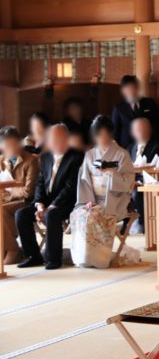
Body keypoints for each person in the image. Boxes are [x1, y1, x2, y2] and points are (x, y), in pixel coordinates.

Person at [15, 124, 84, 269]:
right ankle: (33, 256)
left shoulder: (76, 157)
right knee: (21, 214)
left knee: (52, 215)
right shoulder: (46, 156)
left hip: (67, 203)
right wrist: (39, 203)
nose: (51, 142)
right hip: (46, 202)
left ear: (66, 139)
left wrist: (51, 207)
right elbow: (40, 182)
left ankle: (54, 259)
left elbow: (70, 188)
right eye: (51, 139)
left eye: (56, 139)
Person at [77, 115, 135, 222]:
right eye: (98, 135)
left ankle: (101, 239)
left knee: (93, 217)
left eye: (105, 134)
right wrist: (89, 200)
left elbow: (129, 180)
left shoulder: (122, 154)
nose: (102, 138)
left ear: (110, 134)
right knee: (79, 216)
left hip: (115, 201)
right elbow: (84, 181)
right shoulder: (90, 154)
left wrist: (112, 172)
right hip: (93, 200)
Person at [0, 126, 40, 265]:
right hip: (6, 200)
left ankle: (13, 250)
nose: (8, 150)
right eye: (5, 147)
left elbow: (28, 191)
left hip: (26, 202)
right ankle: (3, 248)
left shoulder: (31, 160)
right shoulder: (2, 161)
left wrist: (9, 192)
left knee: (2, 210)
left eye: (11, 145)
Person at [128, 118, 159, 234]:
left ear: (149, 130)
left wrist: (138, 182)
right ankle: (124, 222)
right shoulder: (131, 148)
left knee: (138, 191)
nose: (141, 132)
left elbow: (158, 169)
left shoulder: (158, 146)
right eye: (137, 130)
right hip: (132, 181)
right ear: (133, 132)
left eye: (143, 129)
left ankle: (142, 223)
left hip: (151, 180)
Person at [111, 75, 159, 148]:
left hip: (149, 145)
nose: (131, 92)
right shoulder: (119, 108)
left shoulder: (149, 103)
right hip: (127, 147)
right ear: (123, 91)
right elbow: (115, 132)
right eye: (127, 89)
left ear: (137, 88)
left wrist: (157, 143)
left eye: (132, 88)